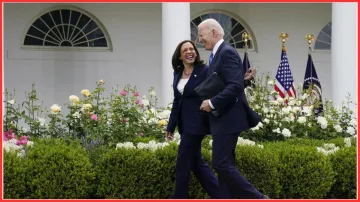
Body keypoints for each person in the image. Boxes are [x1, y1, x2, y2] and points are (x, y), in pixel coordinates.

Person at [197, 18, 269, 199]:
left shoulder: (226, 52)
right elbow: (230, 83)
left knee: (220, 164)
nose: (199, 39)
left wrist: (211, 103)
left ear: (214, 33)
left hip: (228, 118)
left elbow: (234, 87)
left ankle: (259, 198)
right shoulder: (218, 53)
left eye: (201, 35)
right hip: (223, 118)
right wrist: (243, 80)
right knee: (225, 165)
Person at [165, 40, 221, 199]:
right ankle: (222, 196)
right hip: (184, 124)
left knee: (182, 162)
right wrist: (171, 126)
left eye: (192, 49)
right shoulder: (178, 72)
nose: (190, 52)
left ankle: (179, 197)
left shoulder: (204, 70)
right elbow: (177, 101)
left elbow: (219, 87)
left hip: (197, 123)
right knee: (197, 164)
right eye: (185, 50)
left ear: (196, 52)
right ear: (180, 56)